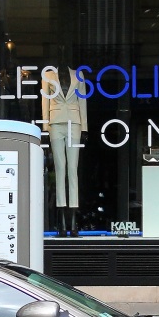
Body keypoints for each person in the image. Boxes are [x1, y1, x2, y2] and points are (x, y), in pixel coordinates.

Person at [41, 65, 89, 236]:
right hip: (55, 122)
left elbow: (82, 100)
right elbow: (45, 100)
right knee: (60, 169)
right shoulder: (48, 75)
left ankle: (73, 221)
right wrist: (45, 127)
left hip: (74, 122)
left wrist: (84, 127)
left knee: (72, 170)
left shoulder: (78, 74)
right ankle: (61, 221)